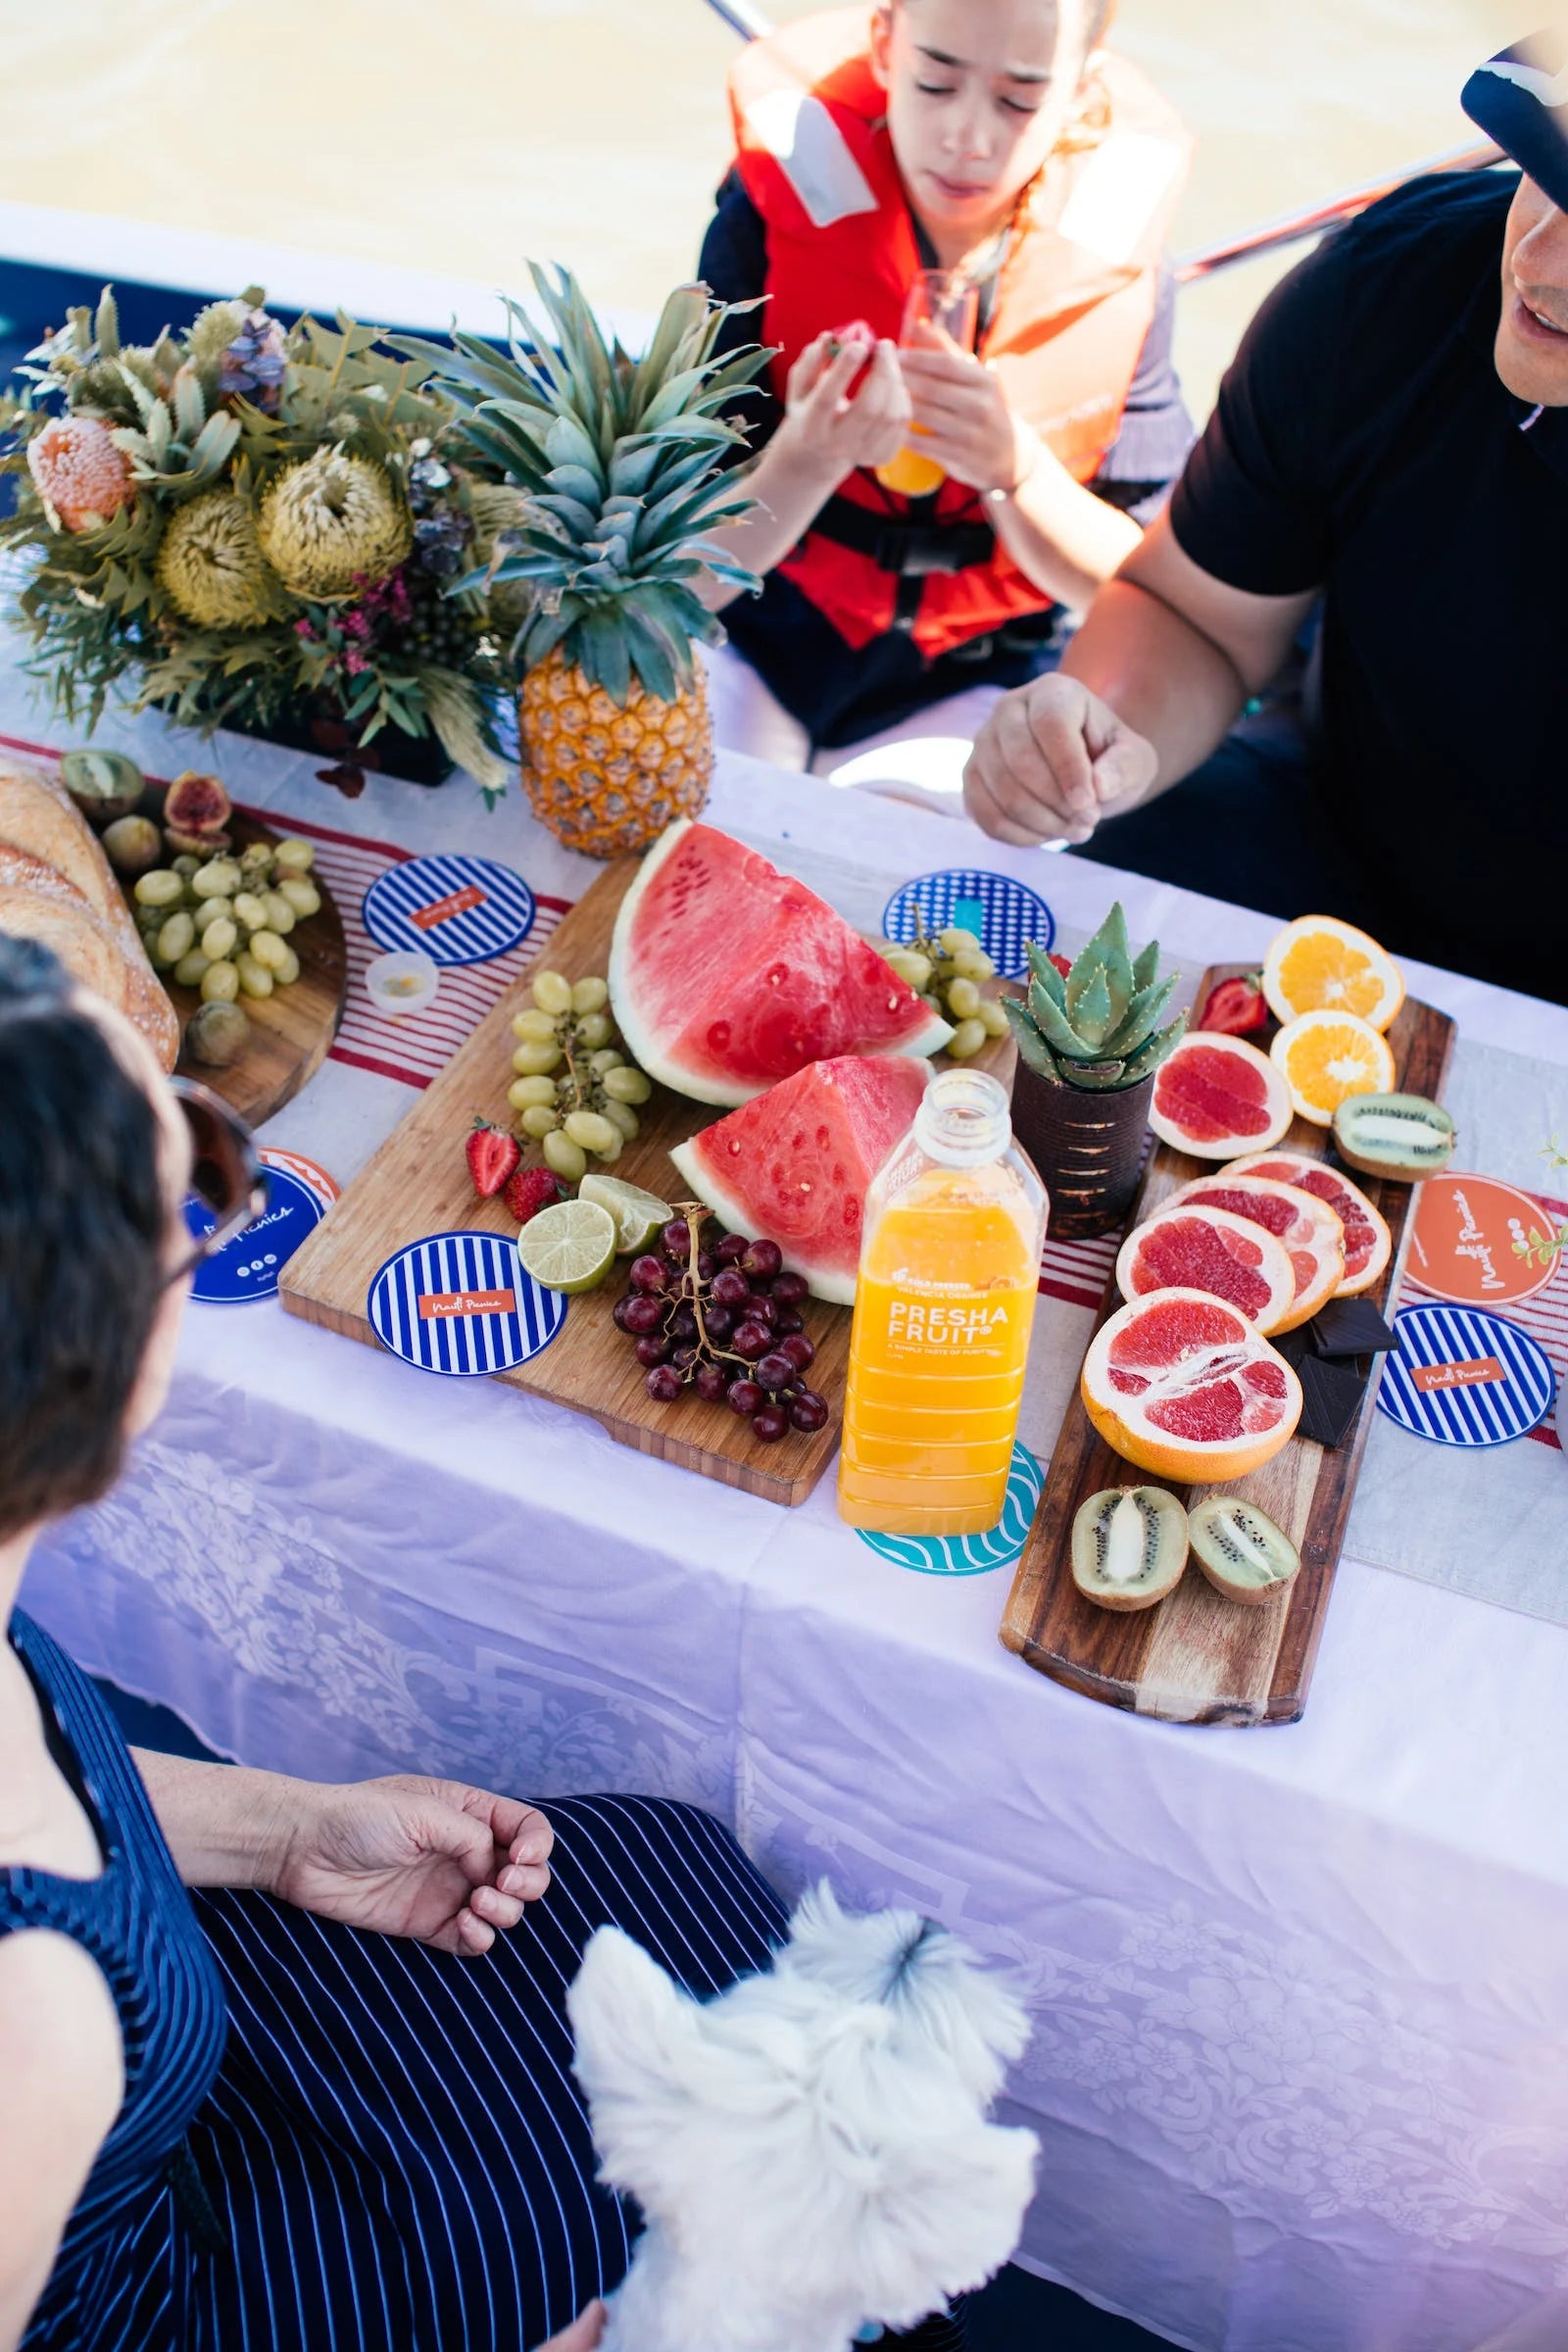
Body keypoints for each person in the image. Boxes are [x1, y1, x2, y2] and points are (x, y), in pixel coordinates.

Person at [0, 934, 801, 2352]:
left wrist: (281, 1831)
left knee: (683, 1885)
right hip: (163, 2297)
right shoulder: (29, 2030)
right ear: (107, 1375)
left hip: (139, 2077)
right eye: (190, 1186)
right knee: (777, 2159)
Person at [960, 32, 1568, 1008]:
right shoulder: (1385, 284)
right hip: (1333, 842)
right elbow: (1195, 615)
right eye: (1542, 170)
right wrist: (1091, 740)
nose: (1537, 259)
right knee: (1116, 878)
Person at [696, 0, 1193, 764]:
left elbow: (1144, 599)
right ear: (886, 44)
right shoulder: (764, 211)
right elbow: (679, 578)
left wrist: (1016, 474)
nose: (967, 138)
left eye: (1019, 100)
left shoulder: (1116, 259)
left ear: (1078, 90)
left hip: (983, 670)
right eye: (935, 83)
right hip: (765, 627)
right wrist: (808, 459)